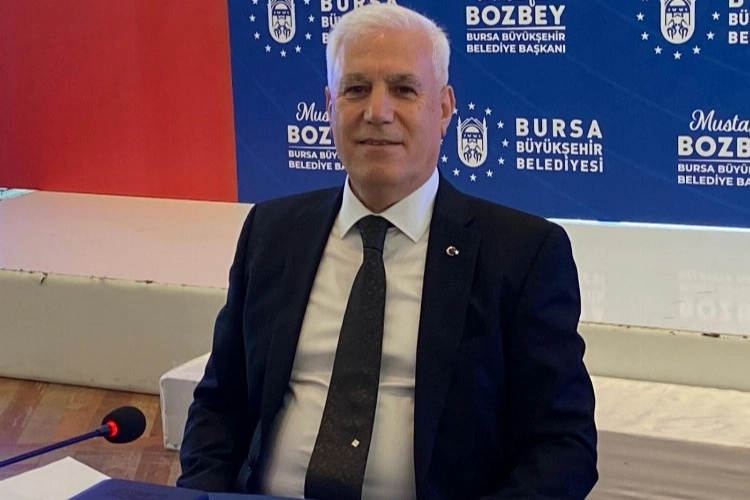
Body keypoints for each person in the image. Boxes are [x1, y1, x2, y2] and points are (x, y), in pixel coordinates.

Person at [178, 4, 597, 500]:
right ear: (330, 106)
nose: (377, 112)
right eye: (356, 89)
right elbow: (219, 404)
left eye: (403, 89)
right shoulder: (271, 233)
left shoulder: (523, 254)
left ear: (444, 108)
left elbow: (563, 447)